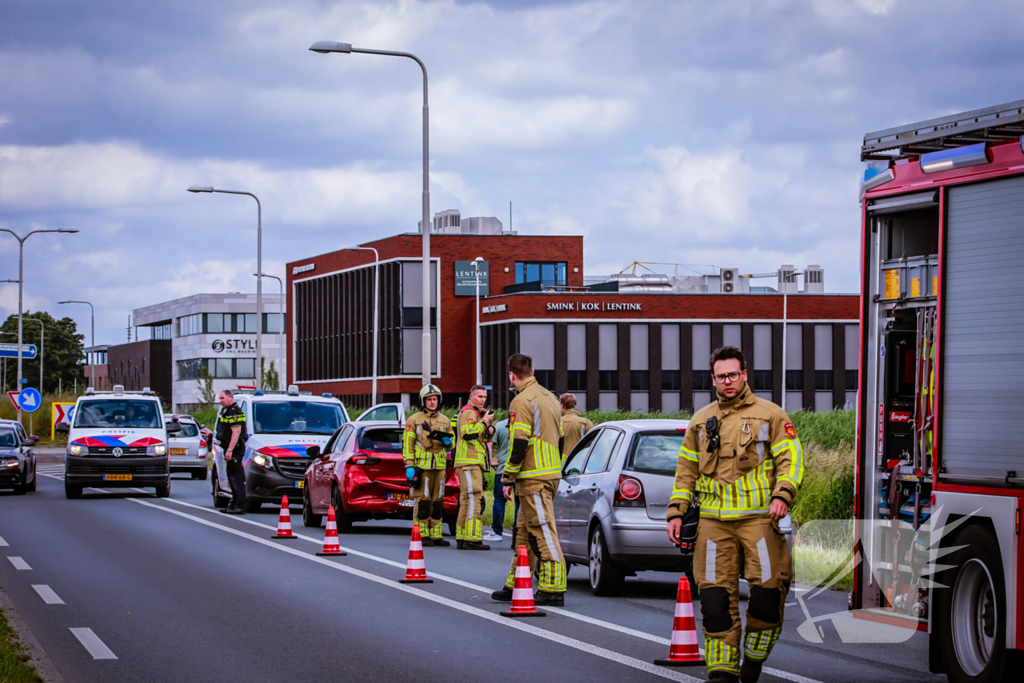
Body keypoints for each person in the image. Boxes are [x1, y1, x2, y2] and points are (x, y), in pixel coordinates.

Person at [666, 347, 803, 683]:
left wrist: (783, 494)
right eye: (721, 376)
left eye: (733, 374)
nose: (727, 381)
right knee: (714, 600)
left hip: (760, 521)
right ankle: (722, 671)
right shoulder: (700, 421)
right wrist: (676, 513)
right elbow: (686, 471)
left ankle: (753, 659)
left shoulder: (771, 415)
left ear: (745, 375)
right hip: (714, 525)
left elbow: (791, 460)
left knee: (768, 595)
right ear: (712, 379)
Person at [491, 354, 566, 607]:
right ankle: (516, 583)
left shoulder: (521, 400)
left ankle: (553, 587)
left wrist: (508, 477)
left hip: (533, 476)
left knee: (542, 530)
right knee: (524, 533)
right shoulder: (551, 397)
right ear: (532, 371)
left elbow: (520, 443)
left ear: (511, 375)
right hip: (549, 474)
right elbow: (561, 438)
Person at [403, 384, 454, 547]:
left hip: (440, 467)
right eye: (429, 399)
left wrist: (449, 442)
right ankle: (422, 534)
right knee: (423, 501)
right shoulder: (414, 420)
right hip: (422, 467)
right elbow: (407, 445)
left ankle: (436, 534)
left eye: (435, 399)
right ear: (423, 401)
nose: (432, 402)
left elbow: (452, 444)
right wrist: (409, 465)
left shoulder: (445, 420)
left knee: (438, 501)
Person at [454, 385, 495, 550]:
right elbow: (468, 434)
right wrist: (485, 422)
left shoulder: (476, 414)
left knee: (466, 500)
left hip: (470, 463)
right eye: (480, 396)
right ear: (471, 397)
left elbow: (479, 438)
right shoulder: (469, 412)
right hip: (469, 462)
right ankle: (472, 539)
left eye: (484, 397)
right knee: (474, 499)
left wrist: (488, 430)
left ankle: (462, 536)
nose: (483, 400)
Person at [216, 390, 248, 515]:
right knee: (232, 476)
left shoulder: (234, 412)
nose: (220, 401)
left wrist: (230, 450)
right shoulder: (228, 411)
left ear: (230, 397)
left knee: (236, 477)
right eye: (220, 398)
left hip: (235, 448)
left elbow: (236, 432)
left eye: (222, 398)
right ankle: (234, 503)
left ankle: (240, 504)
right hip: (230, 448)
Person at [486, 417, 517, 543]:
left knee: (499, 500)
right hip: (520, 470)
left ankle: (496, 531)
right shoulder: (525, 424)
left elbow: (489, 443)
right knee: (519, 503)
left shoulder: (500, 425)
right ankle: (518, 533)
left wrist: (490, 460)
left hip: (502, 468)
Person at [559, 393, 594, 457]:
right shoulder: (586, 423)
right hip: (580, 460)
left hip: (560, 461)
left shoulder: (557, 422)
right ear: (574, 405)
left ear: (563, 406)